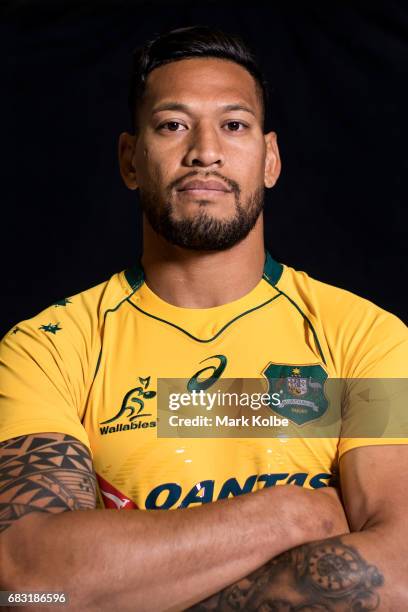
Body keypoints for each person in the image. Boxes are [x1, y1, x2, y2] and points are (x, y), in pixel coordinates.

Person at [1, 25, 407, 611]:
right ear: (130, 160)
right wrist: (291, 515)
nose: (205, 150)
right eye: (172, 125)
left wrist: (130, 588)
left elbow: (397, 573)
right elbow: (27, 581)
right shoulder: (47, 347)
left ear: (269, 159)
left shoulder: (365, 336)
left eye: (234, 125)